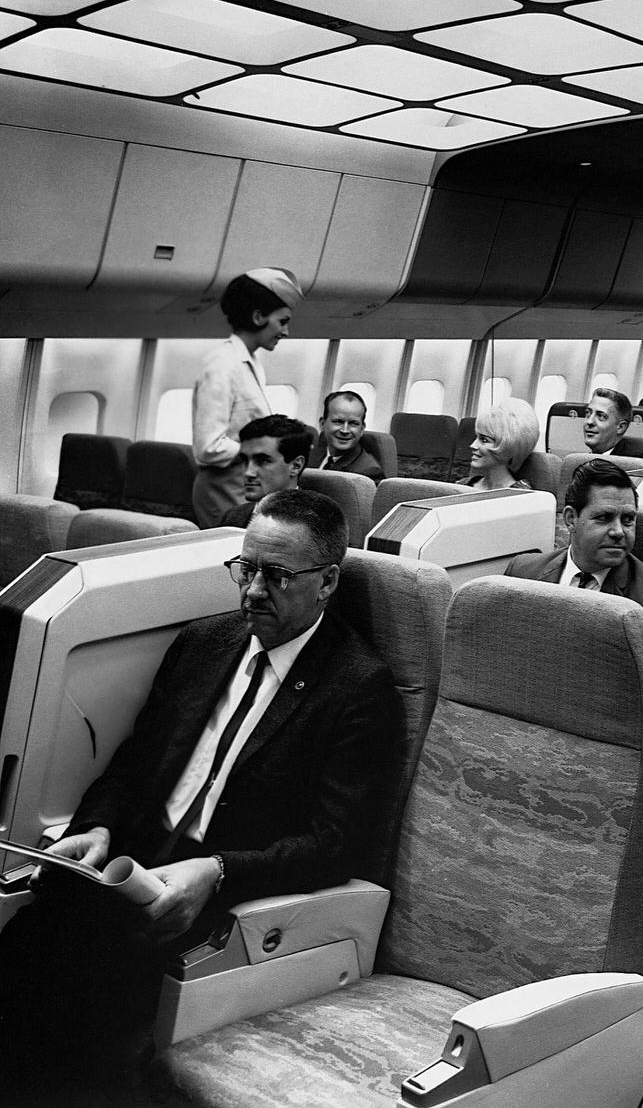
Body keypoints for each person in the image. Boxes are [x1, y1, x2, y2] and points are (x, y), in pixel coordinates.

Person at [0, 490, 402, 1100]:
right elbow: (134, 763)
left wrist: (216, 872)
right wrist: (100, 825)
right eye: (246, 568)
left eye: (278, 575)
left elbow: (336, 844)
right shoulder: (204, 643)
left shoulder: (358, 688)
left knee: (88, 1038)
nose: (253, 591)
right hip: (124, 870)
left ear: (327, 583)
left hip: (220, 908)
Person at [505, 458, 643, 718]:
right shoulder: (524, 573)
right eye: (603, 518)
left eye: (628, 519)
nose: (618, 532)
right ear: (571, 519)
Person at [192, 268, 303, 528]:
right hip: (222, 488)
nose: (286, 331)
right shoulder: (222, 365)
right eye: (282, 321)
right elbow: (208, 447)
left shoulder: (250, 361)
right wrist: (265, 453)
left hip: (242, 482)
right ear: (258, 316)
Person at [220, 414, 312, 528]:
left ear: (295, 466)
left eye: (262, 461)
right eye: (244, 460)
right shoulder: (234, 516)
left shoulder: (311, 523)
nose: (248, 472)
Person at [457, 398, 539, 490]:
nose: (473, 445)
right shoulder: (462, 486)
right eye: (476, 437)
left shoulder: (521, 496)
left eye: (484, 440)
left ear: (509, 446)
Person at [310, 390, 384, 483]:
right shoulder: (312, 454)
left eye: (353, 423)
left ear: (362, 429)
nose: (345, 430)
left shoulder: (367, 473)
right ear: (322, 424)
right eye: (338, 421)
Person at [583, 387, 643, 461]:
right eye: (588, 413)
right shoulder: (579, 460)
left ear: (620, 427)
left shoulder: (637, 462)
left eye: (601, 416)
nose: (589, 422)